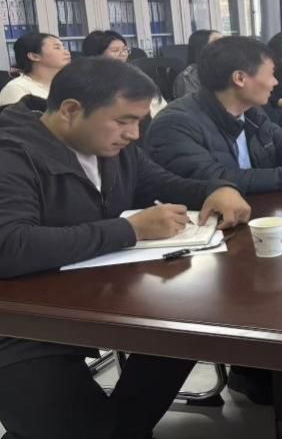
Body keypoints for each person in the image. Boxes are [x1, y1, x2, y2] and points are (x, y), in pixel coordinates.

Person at [0, 57, 250, 439]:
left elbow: (162, 183)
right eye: (124, 121)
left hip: (94, 300)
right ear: (70, 110)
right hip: (21, 325)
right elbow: (9, 246)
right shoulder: (11, 155)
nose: (134, 134)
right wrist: (129, 230)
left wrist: (217, 189)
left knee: (185, 333)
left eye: (139, 121)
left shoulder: (112, 149)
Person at [147, 36, 282, 194]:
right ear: (240, 78)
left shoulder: (251, 112)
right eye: (271, 74)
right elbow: (219, 179)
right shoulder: (175, 124)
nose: (275, 82)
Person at [82, 30, 167, 117]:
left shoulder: (134, 75)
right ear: (97, 55)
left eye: (124, 49)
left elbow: (158, 103)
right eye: (115, 50)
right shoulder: (88, 81)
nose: (123, 54)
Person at [0, 33, 70, 106]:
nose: (67, 52)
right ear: (34, 56)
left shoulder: (66, 84)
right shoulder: (17, 89)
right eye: (57, 48)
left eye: (64, 47)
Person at [173, 29, 221, 98]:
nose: (223, 46)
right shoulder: (188, 77)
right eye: (217, 43)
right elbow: (192, 103)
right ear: (202, 48)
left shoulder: (226, 69)